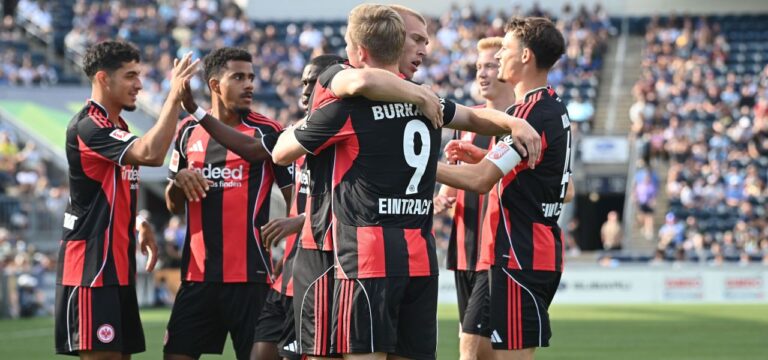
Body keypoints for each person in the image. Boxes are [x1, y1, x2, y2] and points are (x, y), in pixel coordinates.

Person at [271, 5, 541, 360]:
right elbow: (474, 116)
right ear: (397, 46)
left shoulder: (347, 106)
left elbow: (279, 153)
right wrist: (515, 122)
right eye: (416, 40)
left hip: (365, 253)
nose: (422, 49)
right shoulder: (428, 102)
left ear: (359, 52)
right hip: (419, 254)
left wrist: (299, 128)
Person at [436, 17, 571, 360]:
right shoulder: (550, 106)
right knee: (486, 349)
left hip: (518, 251)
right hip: (531, 249)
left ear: (525, 56)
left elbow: (481, 180)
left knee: (509, 354)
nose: (499, 60)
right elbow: (530, 170)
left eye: (505, 51)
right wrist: (484, 154)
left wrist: (415, 166)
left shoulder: (529, 113)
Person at [55, 41, 199, 359]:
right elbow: (152, 154)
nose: (139, 84)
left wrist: (138, 220)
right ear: (104, 79)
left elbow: (103, 189)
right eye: (130, 75)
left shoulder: (117, 126)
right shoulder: (89, 125)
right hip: (91, 270)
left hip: (117, 268)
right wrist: (174, 96)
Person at [162, 47, 293, 360]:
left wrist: (290, 252)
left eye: (251, 77)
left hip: (251, 279)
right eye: (238, 77)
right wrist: (179, 181)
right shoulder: (186, 132)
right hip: (198, 277)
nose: (249, 84)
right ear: (215, 84)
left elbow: (294, 201)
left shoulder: (268, 130)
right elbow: (173, 205)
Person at [251, 54, 344, 360]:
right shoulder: (298, 136)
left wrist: (299, 222)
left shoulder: (343, 137)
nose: (305, 90)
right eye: (303, 82)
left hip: (317, 274)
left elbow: (352, 205)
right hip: (287, 272)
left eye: (313, 81)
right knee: (261, 353)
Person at [433, 36, 516, 360]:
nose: (482, 74)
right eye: (479, 67)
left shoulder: (522, 123)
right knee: (482, 348)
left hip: (498, 250)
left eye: (491, 66)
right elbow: (450, 189)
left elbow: (562, 190)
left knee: (469, 343)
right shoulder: (465, 123)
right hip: (465, 248)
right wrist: (440, 201)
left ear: (509, 68)